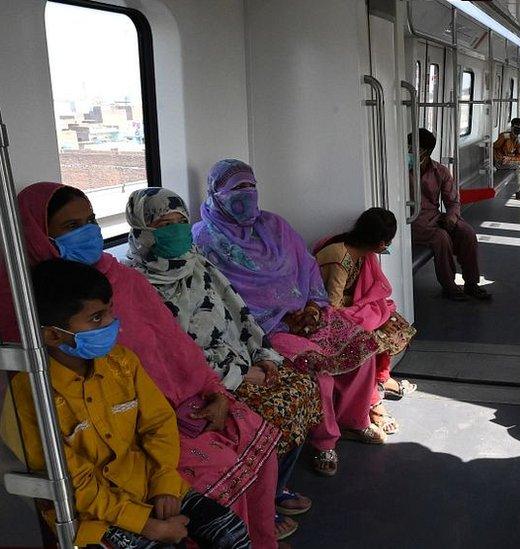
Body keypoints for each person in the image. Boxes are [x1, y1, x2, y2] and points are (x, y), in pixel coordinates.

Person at [0, 183, 281, 548]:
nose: (89, 232)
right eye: (72, 226)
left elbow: (174, 349)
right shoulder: (22, 314)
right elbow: (68, 474)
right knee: (213, 469)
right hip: (100, 491)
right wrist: (145, 521)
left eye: (92, 221)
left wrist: (212, 388)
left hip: (164, 417)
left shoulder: (122, 296)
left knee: (251, 447)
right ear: (39, 232)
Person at [125, 187, 323, 539]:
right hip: (202, 380)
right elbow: (171, 357)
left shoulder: (198, 262)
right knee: (270, 412)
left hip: (240, 359)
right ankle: (260, 508)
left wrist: (263, 354)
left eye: (180, 222)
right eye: (163, 223)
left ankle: (276, 489)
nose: (175, 231)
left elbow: (238, 313)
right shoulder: (135, 284)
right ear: (142, 230)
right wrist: (239, 377)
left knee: (302, 388)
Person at [12, 259, 251, 549]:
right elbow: (71, 483)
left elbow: (159, 423)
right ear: (52, 334)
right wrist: (146, 525)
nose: (112, 323)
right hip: (92, 514)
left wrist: (164, 484)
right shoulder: (33, 394)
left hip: (146, 482)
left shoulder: (121, 363)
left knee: (232, 535)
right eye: (97, 318)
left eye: (110, 310)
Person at [192, 159, 382, 478]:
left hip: (303, 310)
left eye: (251, 186)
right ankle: (325, 443)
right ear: (215, 193)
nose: (248, 195)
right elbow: (217, 300)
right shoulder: (203, 239)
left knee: (361, 345)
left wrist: (313, 305)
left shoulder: (274, 226)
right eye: (237, 189)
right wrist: (279, 317)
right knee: (315, 369)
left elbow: (306, 265)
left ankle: (354, 420)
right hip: (261, 328)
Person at [313, 208, 419, 435]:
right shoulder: (340, 257)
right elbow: (330, 306)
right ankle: (372, 403)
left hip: (348, 308)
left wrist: (369, 308)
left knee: (393, 324)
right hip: (322, 318)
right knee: (369, 340)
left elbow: (367, 291)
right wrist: (365, 309)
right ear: (381, 243)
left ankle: (382, 377)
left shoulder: (361, 254)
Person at [410, 129, 491, 301]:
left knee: (467, 233)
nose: (408, 151)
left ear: (424, 151)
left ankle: (471, 283)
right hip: (412, 220)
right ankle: (449, 286)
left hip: (434, 216)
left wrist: (451, 217)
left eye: (411, 148)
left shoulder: (440, 171)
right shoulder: (400, 172)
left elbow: (453, 202)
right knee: (440, 238)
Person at [493, 118, 520, 200]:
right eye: (517, 127)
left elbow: (519, 156)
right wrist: (499, 159)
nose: (519, 130)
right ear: (512, 127)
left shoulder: (517, 139)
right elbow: (494, 148)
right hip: (501, 162)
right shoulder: (504, 136)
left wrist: (510, 158)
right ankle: (519, 191)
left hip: (510, 161)